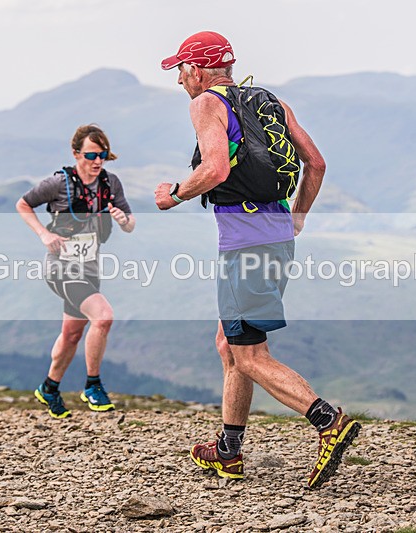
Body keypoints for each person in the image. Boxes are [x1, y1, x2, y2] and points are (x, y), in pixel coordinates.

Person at [155, 31, 361, 489]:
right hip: (278, 238)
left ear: (198, 70)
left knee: (249, 355)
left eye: (181, 70)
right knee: (229, 343)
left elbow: (215, 169)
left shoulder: (206, 103)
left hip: (244, 245)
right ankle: (228, 451)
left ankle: (328, 421)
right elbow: (316, 163)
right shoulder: (271, 102)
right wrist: (298, 216)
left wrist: (174, 194)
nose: (179, 80)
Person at [17, 124, 135, 419]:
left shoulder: (110, 183)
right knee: (103, 317)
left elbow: (130, 224)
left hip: (90, 268)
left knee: (71, 335)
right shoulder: (59, 183)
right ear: (76, 154)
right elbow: (23, 204)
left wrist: (123, 220)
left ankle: (49, 387)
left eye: (103, 155)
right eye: (91, 155)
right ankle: (92, 385)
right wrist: (44, 234)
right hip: (61, 267)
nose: (97, 161)